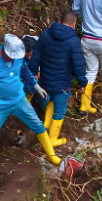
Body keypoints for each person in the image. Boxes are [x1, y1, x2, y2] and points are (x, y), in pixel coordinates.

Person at [0, 34, 60, 172]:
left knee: (38, 125)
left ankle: (51, 155)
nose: (15, 59)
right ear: (4, 50)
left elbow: (25, 72)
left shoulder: (18, 58)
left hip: (19, 100)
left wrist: (36, 86)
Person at [28, 11, 88, 150]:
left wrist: (33, 74)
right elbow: (78, 65)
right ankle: (52, 140)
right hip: (62, 85)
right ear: (74, 24)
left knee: (51, 102)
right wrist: (82, 83)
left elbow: (35, 57)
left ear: (59, 21)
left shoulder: (45, 34)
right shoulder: (73, 41)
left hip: (45, 80)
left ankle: (45, 128)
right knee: (60, 110)